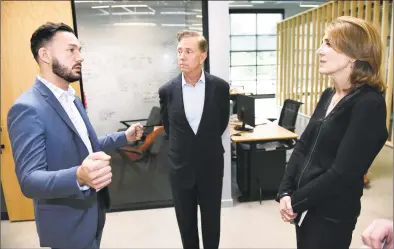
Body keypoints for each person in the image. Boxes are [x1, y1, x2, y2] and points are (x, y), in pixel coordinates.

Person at [7, 22, 143, 249]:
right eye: (71, 50)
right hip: (67, 223)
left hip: (93, 209)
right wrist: (78, 176)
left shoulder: (71, 98)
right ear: (45, 55)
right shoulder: (27, 108)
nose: (80, 57)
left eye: (79, 50)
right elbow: (29, 180)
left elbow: (86, 146)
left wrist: (124, 137)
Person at [276, 16, 388, 249]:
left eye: (328, 43)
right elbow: (303, 146)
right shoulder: (329, 95)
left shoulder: (369, 104)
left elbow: (342, 173)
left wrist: (294, 202)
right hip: (306, 206)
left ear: (353, 53)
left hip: (331, 215)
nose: (319, 50)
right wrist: (285, 190)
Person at [158, 30, 230, 249]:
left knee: (211, 220)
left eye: (188, 51)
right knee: (185, 222)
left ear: (203, 56)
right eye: (179, 51)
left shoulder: (220, 87)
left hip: (210, 165)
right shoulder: (167, 91)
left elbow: (221, 123)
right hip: (180, 167)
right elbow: (169, 128)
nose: (182, 56)